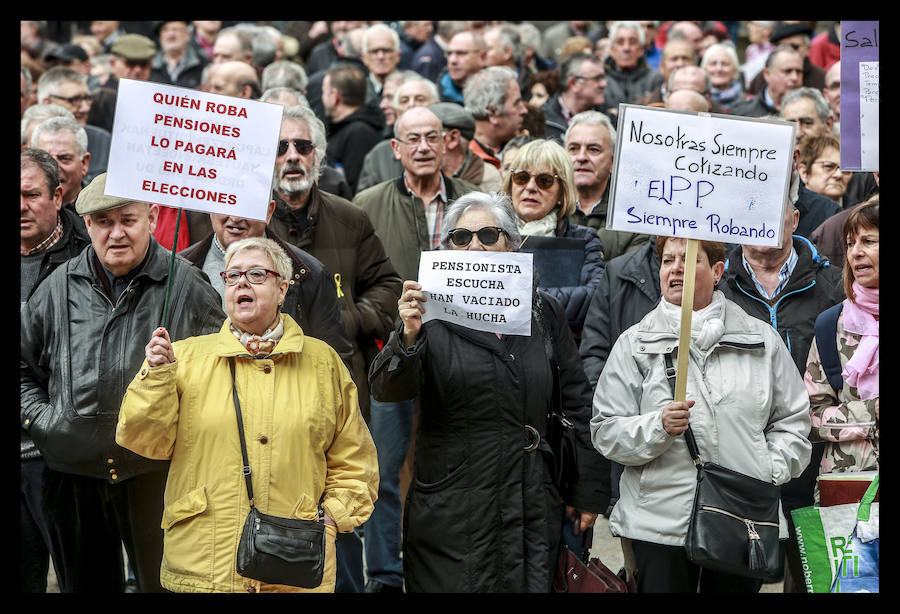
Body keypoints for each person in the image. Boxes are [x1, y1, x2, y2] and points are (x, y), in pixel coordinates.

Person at [368, 191, 608, 592]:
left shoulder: (543, 311)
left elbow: (577, 402)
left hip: (531, 502)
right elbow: (389, 390)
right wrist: (406, 335)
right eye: (461, 238)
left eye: (488, 235)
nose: (474, 245)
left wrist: (587, 492)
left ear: (512, 245)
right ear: (446, 250)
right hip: (452, 508)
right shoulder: (426, 316)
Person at [115, 236, 379, 593]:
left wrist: (331, 518)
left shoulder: (323, 363)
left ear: (282, 288)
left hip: (293, 565)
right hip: (204, 563)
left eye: (256, 274)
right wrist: (156, 377)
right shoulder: (183, 359)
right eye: (232, 275)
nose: (241, 283)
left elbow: (355, 461)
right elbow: (144, 440)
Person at [20, 173, 226, 593]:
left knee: (167, 585)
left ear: (152, 218)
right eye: (104, 221)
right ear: (88, 226)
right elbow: (22, 368)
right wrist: (50, 422)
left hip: (159, 475)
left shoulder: (186, 285)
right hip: (72, 475)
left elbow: (221, 374)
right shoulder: (57, 287)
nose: (117, 233)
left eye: (128, 219)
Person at [591, 235, 812, 593]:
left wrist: (767, 468)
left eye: (688, 259)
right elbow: (605, 431)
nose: (675, 267)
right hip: (658, 523)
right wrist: (657, 426)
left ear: (718, 270)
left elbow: (794, 424)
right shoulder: (634, 343)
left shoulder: (762, 341)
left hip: (742, 517)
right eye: (667, 260)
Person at [263, 104, 403, 592]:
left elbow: (388, 285)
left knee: (339, 510)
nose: (292, 156)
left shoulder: (349, 217)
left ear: (319, 157)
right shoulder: (245, 222)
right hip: (266, 391)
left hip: (340, 388)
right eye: (280, 147)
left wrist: (346, 320)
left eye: (302, 146)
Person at [717, 198, 845, 593]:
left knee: (817, 579)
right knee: (735, 581)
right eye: (748, 212)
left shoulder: (834, 285)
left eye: (770, 212)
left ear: (794, 219)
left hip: (813, 459)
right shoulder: (717, 290)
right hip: (740, 462)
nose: (759, 224)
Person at [20, 148, 90, 593]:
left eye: (30, 195)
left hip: (60, 454)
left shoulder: (87, 259)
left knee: (79, 575)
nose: (20, 207)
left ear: (58, 195)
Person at [178, 199, 354, 369]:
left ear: (269, 211)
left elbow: (335, 365)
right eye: (228, 202)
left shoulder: (309, 274)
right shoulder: (180, 271)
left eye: (246, 205)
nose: (236, 217)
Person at [805, 197, 879, 487]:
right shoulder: (831, 326)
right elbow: (811, 418)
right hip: (849, 494)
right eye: (850, 244)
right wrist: (870, 413)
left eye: (868, 241)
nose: (856, 253)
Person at [504, 138, 605, 339]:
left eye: (545, 181)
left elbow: (593, 300)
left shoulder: (585, 239)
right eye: (522, 178)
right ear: (510, 184)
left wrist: (519, 298)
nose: (531, 187)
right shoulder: (488, 234)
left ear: (562, 190)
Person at [564, 110, 649, 261]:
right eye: (574, 149)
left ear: (613, 162)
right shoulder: (548, 206)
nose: (582, 157)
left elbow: (628, 275)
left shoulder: (635, 216)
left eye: (593, 149)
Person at [356, 74, 440, 193]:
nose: (411, 105)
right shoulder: (378, 155)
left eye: (420, 99)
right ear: (396, 109)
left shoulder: (446, 145)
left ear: (435, 105)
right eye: (404, 100)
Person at [36, 66, 110, 183]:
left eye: (87, 98)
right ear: (47, 103)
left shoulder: (101, 140)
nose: (86, 107)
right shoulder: (24, 137)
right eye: (74, 100)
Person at [321, 63, 385, 194]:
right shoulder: (342, 129)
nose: (322, 98)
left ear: (335, 97)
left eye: (323, 92)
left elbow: (355, 190)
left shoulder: (359, 134)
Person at [463, 66, 528, 170]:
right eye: (516, 103)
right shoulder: (466, 163)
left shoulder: (524, 147)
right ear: (493, 113)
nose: (524, 110)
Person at [602, 21, 664, 120]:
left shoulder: (655, 79)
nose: (626, 48)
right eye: (620, 42)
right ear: (612, 49)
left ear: (641, 49)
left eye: (632, 42)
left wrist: (615, 114)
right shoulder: (600, 79)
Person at [541, 52, 607, 144]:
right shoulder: (543, 122)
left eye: (603, 78)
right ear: (574, 83)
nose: (604, 84)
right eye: (597, 78)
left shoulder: (608, 120)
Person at [30, 115, 91, 211]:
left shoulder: (101, 208)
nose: (54, 168)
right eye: (45, 159)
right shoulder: (24, 209)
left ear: (84, 163)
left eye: (64, 159)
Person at [747, 23, 826, 95]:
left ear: (807, 49)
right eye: (782, 47)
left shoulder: (821, 79)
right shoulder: (762, 78)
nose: (788, 51)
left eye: (794, 47)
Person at [729, 45, 803, 117]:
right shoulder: (741, 113)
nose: (795, 77)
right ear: (767, 74)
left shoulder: (811, 112)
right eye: (787, 71)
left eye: (799, 71)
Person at [148, 20, 208, 89]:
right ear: (160, 36)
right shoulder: (147, 65)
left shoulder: (204, 65)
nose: (171, 35)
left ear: (188, 35)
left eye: (176, 29)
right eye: (165, 30)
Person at [797, 134, 850, 205]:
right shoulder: (789, 211)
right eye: (829, 166)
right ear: (804, 172)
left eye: (846, 170)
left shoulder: (857, 213)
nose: (839, 175)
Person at [437, 29, 486, 104]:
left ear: (482, 57)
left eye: (461, 53)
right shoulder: (436, 94)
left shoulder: (498, 91)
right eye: (449, 53)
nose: (452, 60)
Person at [361, 23, 402, 97]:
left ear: (398, 55)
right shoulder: (356, 91)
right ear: (364, 58)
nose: (380, 57)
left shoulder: (412, 86)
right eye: (374, 51)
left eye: (386, 50)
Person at [700, 42, 743, 111]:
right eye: (713, 64)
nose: (719, 69)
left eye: (725, 64)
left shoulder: (748, 101)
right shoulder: (697, 100)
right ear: (704, 69)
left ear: (735, 70)